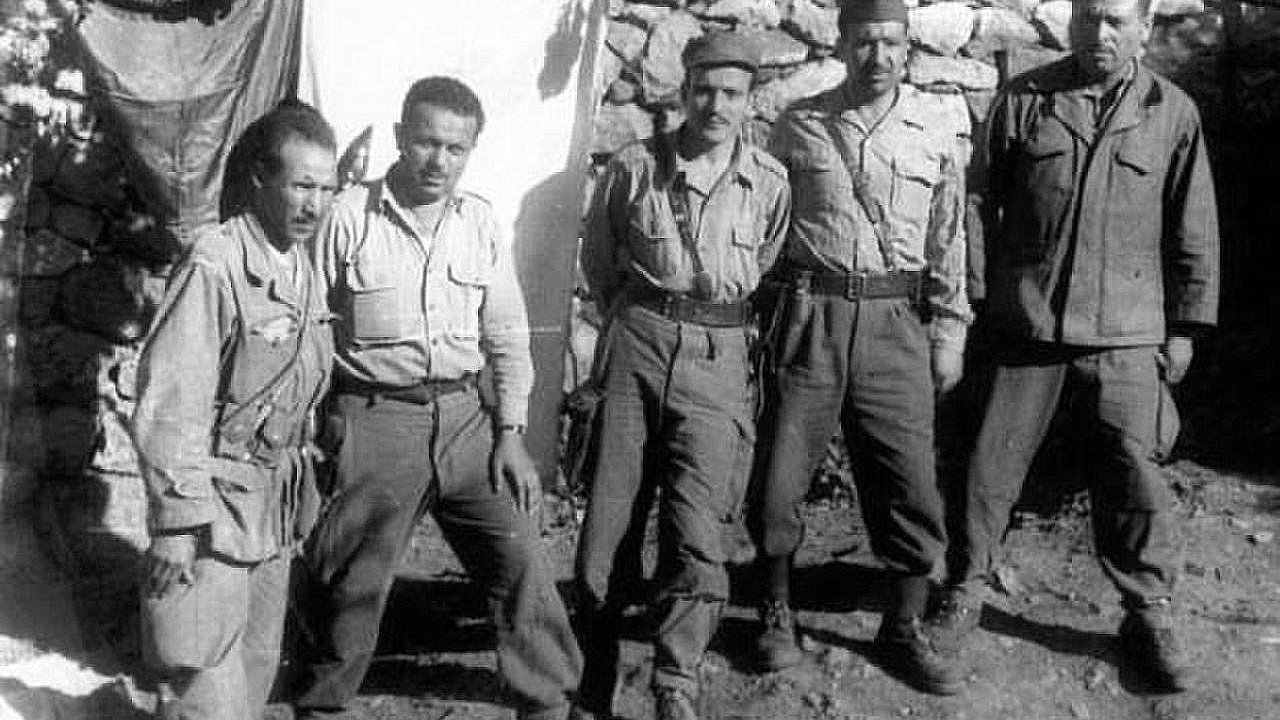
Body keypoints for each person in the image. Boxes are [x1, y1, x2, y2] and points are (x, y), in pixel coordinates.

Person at [929, 0, 1219, 693]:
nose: (1100, 33)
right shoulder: (1026, 99)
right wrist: (979, 298)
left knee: (1134, 470)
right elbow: (978, 202)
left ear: (1144, 26)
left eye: (1116, 20)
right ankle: (964, 589)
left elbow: (1193, 225)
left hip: (1127, 329)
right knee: (987, 466)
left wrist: (1184, 327)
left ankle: (1148, 610)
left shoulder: (1171, 112)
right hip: (1026, 323)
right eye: (1089, 17)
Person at [292, 76, 582, 720]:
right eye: (426, 143)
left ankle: (547, 699)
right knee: (350, 580)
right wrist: (316, 435)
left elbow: (506, 333)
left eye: (456, 148)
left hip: (465, 420)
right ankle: (321, 703)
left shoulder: (478, 220)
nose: (438, 162)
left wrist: (511, 433)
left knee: (520, 558)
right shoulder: (347, 216)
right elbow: (308, 330)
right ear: (401, 138)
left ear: (471, 150)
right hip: (374, 419)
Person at [746, 0, 972, 695]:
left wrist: (951, 331)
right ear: (842, 45)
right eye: (865, 42)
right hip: (810, 314)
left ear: (908, 48)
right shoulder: (800, 124)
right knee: (780, 474)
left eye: (891, 43)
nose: (879, 56)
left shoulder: (934, 129)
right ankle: (775, 611)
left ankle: (903, 625)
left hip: (895, 322)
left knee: (909, 478)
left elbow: (949, 238)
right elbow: (763, 224)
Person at [574, 32, 791, 720]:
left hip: (719, 355)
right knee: (611, 517)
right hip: (638, 341)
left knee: (699, 526)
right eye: (704, 90)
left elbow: (767, 258)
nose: (716, 106)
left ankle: (677, 676)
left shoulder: (769, 180)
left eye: (731, 94)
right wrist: (640, 322)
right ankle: (595, 667)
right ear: (684, 91)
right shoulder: (636, 167)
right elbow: (600, 258)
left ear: (750, 101)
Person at [133, 100, 338, 720]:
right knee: (200, 686)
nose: (314, 205)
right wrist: (176, 526)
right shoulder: (216, 264)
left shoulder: (300, 266)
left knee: (252, 678)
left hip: (269, 513)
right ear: (259, 180)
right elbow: (174, 401)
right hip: (211, 515)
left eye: (326, 189)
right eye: (301, 185)